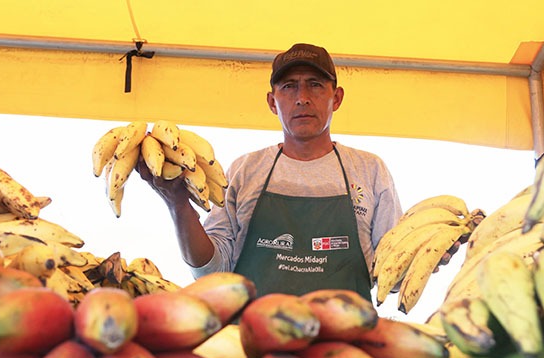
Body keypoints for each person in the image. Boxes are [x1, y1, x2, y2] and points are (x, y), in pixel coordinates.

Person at [137, 43, 403, 301]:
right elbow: (210, 271)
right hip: (254, 340)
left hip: (344, 341)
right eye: (289, 86)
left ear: (337, 98)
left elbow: (392, 276)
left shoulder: (369, 171)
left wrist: (428, 256)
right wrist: (178, 204)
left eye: (315, 85)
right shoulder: (245, 171)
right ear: (272, 102)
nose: (302, 98)